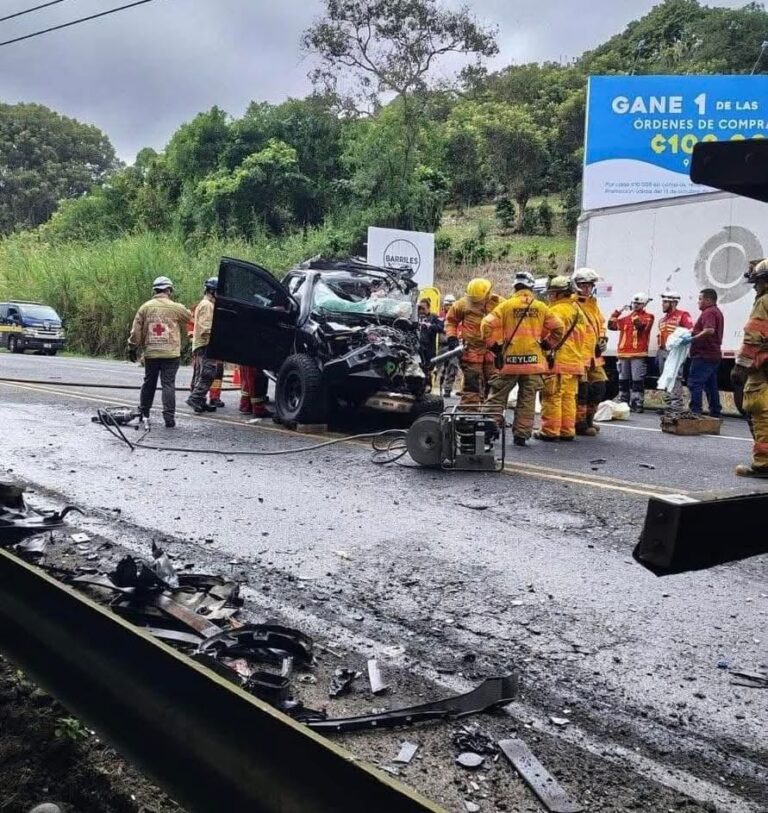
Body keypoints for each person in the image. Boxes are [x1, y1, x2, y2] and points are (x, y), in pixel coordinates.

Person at [481, 270, 565, 446]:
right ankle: (521, 435)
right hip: (533, 362)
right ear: (531, 287)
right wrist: (548, 344)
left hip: (509, 361)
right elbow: (559, 327)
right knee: (527, 400)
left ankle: (488, 431)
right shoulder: (541, 307)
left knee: (497, 397)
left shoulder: (506, 306)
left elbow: (486, 324)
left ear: (515, 287)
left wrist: (493, 346)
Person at [127, 276, 192, 428]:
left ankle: (144, 413)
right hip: (171, 354)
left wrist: (132, 347)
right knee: (168, 384)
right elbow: (189, 317)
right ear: (169, 290)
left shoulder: (145, 307)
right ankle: (169, 418)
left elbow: (135, 331)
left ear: (154, 290)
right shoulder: (175, 307)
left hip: (152, 353)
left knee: (149, 383)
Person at [535, 276, 586, 442]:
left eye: (551, 293)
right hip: (575, 362)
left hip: (558, 361)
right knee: (569, 397)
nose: (549, 297)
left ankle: (550, 431)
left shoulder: (556, 311)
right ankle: (567, 430)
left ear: (558, 294)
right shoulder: (578, 311)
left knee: (552, 396)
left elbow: (545, 335)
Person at [731, 260, 768, 478]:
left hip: (763, 368)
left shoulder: (764, 301)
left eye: (757, 282)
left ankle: (763, 464)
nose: (755, 287)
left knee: (760, 411)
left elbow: (754, 336)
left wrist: (740, 366)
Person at [445, 279, 502, 411]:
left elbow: (509, 322)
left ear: (488, 294)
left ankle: (492, 414)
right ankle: (469, 413)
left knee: (494, 384)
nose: (476, 302)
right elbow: (451, 321)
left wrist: (502, 344)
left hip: (492, 350)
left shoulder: (500, 304)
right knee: (471, 384)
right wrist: (452, 337)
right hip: (471, 350)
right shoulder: (462, 304)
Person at [572, 268, 608, 437]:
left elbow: (600, 323)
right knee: (582, 391)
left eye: (589, 285)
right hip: (580, 355)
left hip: (594, 355)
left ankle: (589, 419)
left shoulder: (592, 304)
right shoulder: (573, 304)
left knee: (599, 386)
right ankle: (579, 423)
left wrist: (602, 338)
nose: (587, 289)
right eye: (583, 285)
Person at [608, 293, 654, 412]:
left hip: (638, 354)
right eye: (634, 303)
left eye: (638, 303)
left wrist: (634, 315)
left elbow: (640, 327)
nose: (635, 305)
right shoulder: (625, 319)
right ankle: (623, 402)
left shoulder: (649, 317)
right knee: (623, 380)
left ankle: (637, 403)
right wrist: (617, 313)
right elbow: (611, 326)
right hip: (623, 354)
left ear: (644, 304)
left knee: (637, 380)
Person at [688, 288, 724, 419]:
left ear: (708, 300)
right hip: (713, 355)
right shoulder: (716, 312)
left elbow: (709, 330)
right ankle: (715, 412)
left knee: (695, 383)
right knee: (710, 385)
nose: (698, 302)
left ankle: (695, 411)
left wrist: (693, 338)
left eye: (700, 299)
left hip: (703, 354)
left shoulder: (709, 312)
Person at [656, 290, 694, 414]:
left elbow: (690, 330)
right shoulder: (662, 319)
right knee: (665, 377)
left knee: (675, 377)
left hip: (675, 352)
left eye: (665, 302)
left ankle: (676, 406)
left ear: (673, 303)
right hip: (662, 351)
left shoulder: (683, 315)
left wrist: (681, 341)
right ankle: (669, 405)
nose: (663, 304)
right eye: (663, 301)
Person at [186, 278, 219, 415]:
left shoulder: (206, 304)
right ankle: (195, 398)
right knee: (208, 373)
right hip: (205, 343)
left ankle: (200, 401)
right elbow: (206, 328)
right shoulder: (207, 305)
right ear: (212, 291)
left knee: (200, 373)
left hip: (201, 344)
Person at [417, 298, 444, 387]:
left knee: (428, 369)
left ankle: (428, 386)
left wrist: (431, 326)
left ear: (428, 308)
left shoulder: (434, 317)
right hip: (418, 348)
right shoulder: (416, 317)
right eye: (419, 308)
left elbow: (441, 328)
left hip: (429, 348)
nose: (421, 311)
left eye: (423, 309)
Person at [438, 294, 460, 397]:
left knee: (453, 367)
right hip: (442, 345)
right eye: (448, 305)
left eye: (451, 305)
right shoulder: (439, 316)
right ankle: (433, 386)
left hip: (454, 346)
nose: (449, 307)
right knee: (437, 366)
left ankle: (447, 389)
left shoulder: (458, 318)